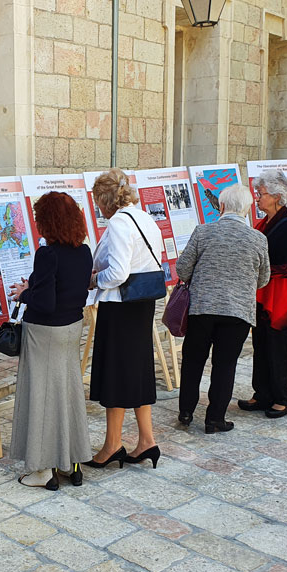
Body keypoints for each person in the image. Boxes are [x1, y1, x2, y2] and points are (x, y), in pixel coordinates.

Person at [8, 192, 93, 489]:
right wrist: (36, 285)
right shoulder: (83, 251)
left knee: (41, 397)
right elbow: (68, 287)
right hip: (72, 328)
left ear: (47, 221)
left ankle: (43, 469)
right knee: (66, 394)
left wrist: (24, 294)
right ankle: (71, 461)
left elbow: (44, 302)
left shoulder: (47, 254)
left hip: (45, 333)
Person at [175, 185, 270, 433]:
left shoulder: (203, 232)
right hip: (238, 312)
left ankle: (186, 412)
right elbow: (263, 278)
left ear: (222, 206)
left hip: (202, 308)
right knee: (225, 365)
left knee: (193, 361)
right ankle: (215, 419)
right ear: (247, 209)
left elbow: (183, 269)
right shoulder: (258, 239)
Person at [85, 168, 163, 469]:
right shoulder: (144, 217)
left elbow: (117, 273)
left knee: (117, 374)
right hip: (140, 304)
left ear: (105, 201)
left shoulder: (119, 223)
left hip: (120, 306)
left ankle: (112, 445)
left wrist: (94, 280)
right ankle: (146, 440)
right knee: (138, 370)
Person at [238, 169, 287, 418]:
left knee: (278, 346)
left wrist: (257, 267)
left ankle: (283, 398)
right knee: (260, 343)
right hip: (262, 295)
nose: (257, 198)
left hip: (281, 299)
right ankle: (263, 394)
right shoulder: (264, 222)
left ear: (277, 197)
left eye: (261, 193)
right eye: (258, 193)